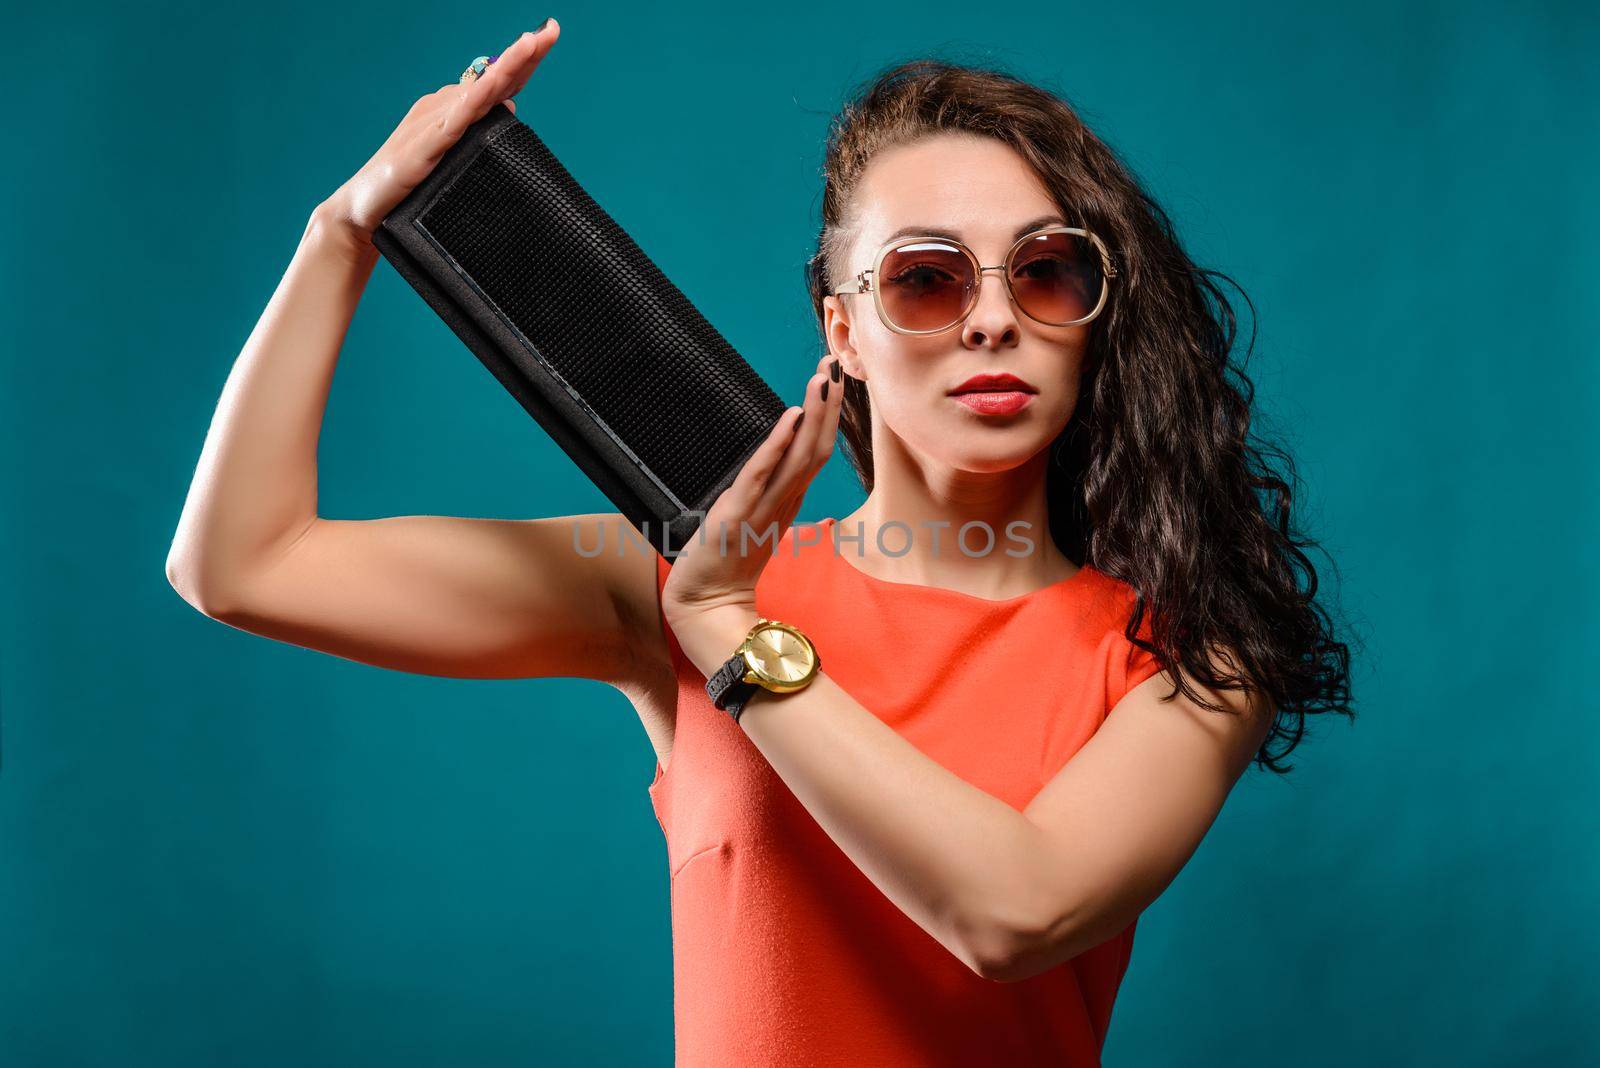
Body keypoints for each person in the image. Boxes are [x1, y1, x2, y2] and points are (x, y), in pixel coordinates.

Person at [165, 19, 1354, 1066]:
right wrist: (344, 233)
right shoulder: (677, 578)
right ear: (841, 322)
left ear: (1091, 317)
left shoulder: (1185, 653)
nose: (993, 316)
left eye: (1045, 273)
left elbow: (1016, 914)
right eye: (926, 281)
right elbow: (243, 563)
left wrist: (734, 636)